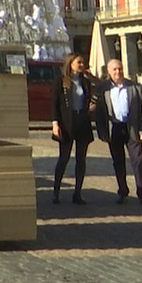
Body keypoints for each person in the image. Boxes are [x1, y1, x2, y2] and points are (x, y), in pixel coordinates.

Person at [96, 59, 142, 205]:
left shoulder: (134, 87)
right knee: (118, 162)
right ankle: (122, 190)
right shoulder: (103, 88)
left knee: (138, 161)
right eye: (114, 69)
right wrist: (102, 131)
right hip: (114, 129)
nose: (117, 72)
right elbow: (100, 112)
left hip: (132, 128)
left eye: (120, 69)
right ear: (108, 71)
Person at [50, 53, 97, 204]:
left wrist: (91, 106)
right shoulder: (61, 81)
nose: (82, 65)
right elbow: (54, 103)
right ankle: (56, 191)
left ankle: (78, 193)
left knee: (81, 159)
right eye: (79, 62)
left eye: (83, 62)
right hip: (67, 122)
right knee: (64, 158)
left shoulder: (85, 82)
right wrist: (55, 123)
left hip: (82, 120)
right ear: (70, 64)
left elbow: (91, 97)